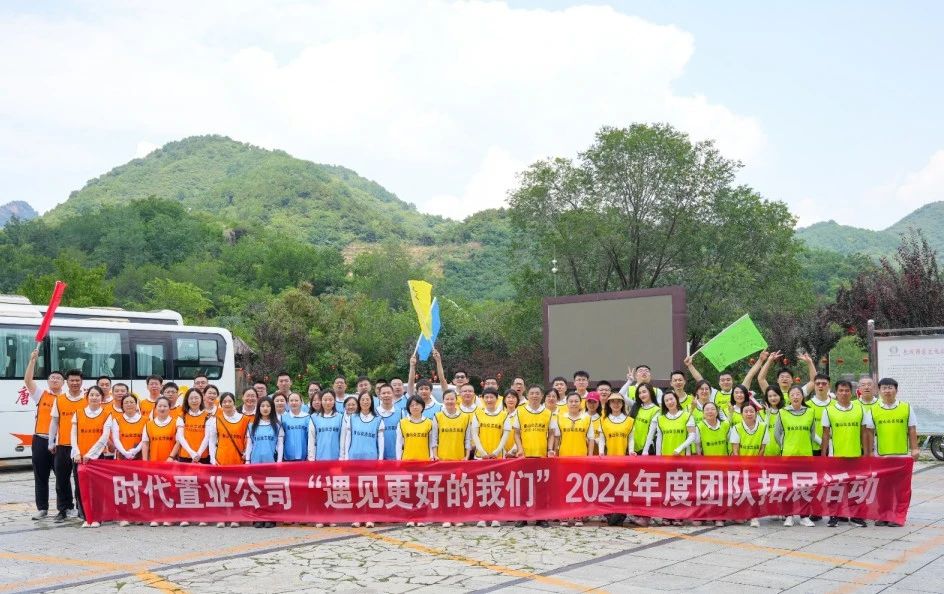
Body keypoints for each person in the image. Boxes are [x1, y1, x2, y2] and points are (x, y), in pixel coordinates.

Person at [821, 380, 872, 528]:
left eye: (847, 390)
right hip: (836, 456)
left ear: (852, 392)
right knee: (835, 487)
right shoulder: (828, 411)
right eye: (841, 391)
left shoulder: (860, 409)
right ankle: (834, 516)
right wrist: (823, 456)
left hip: (856, 455)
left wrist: (867, 453)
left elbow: (864, 433)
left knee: (856, 487)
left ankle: (856, 516)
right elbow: (825, 434)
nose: (844, 393)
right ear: (836, 393)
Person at [872, 377, 919, 527]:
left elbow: (912, 429)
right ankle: (884, 515)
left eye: (890, 388)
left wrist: (915, 448)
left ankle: (898, 516)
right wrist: (869, 453)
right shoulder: (873, 409)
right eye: (884, 388)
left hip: (902, 455)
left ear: (896, 390)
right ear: (879, 391)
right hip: (881, 455)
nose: (887, 391)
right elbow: (868, 432)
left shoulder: (906, 407)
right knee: (882, 488)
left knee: (901, 489)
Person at [23, 348, 62, 521]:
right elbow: (28, 381)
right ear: (48, 381)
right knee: (41, 476)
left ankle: (64, 508)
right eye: (52, 377)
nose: (54, 380)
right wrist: (33, 361)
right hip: (40, 439)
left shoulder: (66, 398)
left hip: (60, 442)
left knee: (61, 476)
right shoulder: (41, 395)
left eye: (58, 378)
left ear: (63, 383)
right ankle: (42, 508)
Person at [775, 386, 820, 527]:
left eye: (798, 394)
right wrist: (786, 446)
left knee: (805, 487)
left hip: (806, 455)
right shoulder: (782, 412)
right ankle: (788, 516)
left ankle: (804, 516)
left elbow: (812, 434)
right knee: (788, 487)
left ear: (802, 396)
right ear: (788, 397)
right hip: (788, 456)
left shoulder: (810, 412)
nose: (795, 397)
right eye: (792, 394)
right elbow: (777, 434)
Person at [46, 368, 86, 523]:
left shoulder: (87, 398)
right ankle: (63, 509)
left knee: (80, 479)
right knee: (61, 479)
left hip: (81, 447)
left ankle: (82, 509)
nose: (75, 383)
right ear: (67, 382)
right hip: (63, 445)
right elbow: (54, 421)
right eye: (72, 380)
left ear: (81, 382)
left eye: (77, 380)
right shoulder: (60, 399)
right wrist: (51, 441)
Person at [511, 386, 554, 528]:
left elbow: (551, 433)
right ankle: (522, 516)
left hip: (542, 455)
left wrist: (550, 449)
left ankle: (541, 517)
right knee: (524, 487)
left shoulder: (548, 413)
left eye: (537, 393)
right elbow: (516, 433)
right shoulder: (520, 411)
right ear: (527, 395)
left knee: (542, 488)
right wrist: (520, 449)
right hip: (525, 455)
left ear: (542, 396)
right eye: (532, 393)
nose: (534, 396)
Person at [551, 392, 594, 527]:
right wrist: (555, 453)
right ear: (567, 403)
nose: (573, 404)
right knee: (564, 486)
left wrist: (590, 456)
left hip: (581, 457)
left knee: (581, 486)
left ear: (581, 403)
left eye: (576, 401)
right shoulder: (560, 418)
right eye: (571, 401)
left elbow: (591, 439)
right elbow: (557, 438)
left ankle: (579, 515)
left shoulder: (587, 418)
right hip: (564, 457)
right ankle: (564, 514)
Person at [70, 385, 109, 527]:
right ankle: (86, 516)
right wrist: (77, 452)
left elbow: (104, 437)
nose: (94, 397)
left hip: (97, 457)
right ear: (87, 397)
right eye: (92, 395)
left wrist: (91, 454)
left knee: (97, 488)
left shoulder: (107, 414)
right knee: (81, 487)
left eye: (97, 395)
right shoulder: (78, 413)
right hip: (79, 457)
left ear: (102, 398)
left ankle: (97, 517)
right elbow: (73, 435)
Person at [596, 394, 635, 525]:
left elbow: (631, 438)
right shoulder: (604, 421)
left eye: (619, 402)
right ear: (609, 404)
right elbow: (602, 438)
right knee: (609, 487)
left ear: (623, 404)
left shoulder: (629, 421)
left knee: (623, 488)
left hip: (624, 460)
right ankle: (608, 513)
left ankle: (621, 514)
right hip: (609, 460)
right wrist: (601, 452)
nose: (616, 404)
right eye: (613, 402)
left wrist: (631, 451)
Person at [433, 390, 470, 527]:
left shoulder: (465, 417)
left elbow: (467, 439)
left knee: (458, 489)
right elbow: (434, 439)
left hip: (459, 458)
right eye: (447, 399)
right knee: (444, 489)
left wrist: (467, 455)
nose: (449, 401)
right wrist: (435, 455)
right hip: (443, 458)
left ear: (456, 400)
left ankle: (457, 516)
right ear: (443, 401)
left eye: (452, 399)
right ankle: (446, 517)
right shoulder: (438, 417)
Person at [245, 396, 283, 528]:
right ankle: (258, 516)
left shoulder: (277, 425)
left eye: (268, 406)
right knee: (256, 490)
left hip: (271, 463)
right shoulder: (252, 426)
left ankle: (270, 517)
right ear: (258, 408)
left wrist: (279, 462)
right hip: (256, 463)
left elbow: (280, 445)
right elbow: (249, 444)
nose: (265, 408)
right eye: (262, 406)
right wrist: (247, 461)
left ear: (272, 408)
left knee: (270, 490)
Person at [729, 401, 768, 527]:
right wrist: (741, 467)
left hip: (756, 466)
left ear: (756, 413)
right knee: (741, 491)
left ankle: (754, 516)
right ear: (741, 414)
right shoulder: (736, 428)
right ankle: (742, 514)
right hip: (741, 466)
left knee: (755, 491)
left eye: (751, 411)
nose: (749, 413)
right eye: (746, 411)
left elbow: (762, 449)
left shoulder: (763, 427)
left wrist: (756, 465)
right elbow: (735, 450)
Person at [141, 396, 178, 527]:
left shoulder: (175, 422)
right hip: (154, 462)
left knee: (170, 489)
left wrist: (171, 457)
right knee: (156, 489)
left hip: (170, 462)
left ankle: (170, 516)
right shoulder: (149, 425)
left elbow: (179, 442)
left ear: (169, 408)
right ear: (155, 408)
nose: (162, 408)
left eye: (165, 406)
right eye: (159, 406)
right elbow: (145, 443)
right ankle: (156, 516)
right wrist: (145, 461)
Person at [644, 392, 695, 459]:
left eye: (671, 399)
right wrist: (658, 457)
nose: (670, 402)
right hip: (665, 457)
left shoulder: (687, 416)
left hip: (683, 456)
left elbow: (692, 436)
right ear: (664, 403)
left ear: (676, 399)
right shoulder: (660, 419)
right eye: (666, 400)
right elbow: (659, 440)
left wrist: (679, 449)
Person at [176, 388, 209, 464]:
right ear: (187, 400)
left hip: (203, 456)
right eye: (191, 398)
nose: (194, 401)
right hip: (185, 455)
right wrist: (191, 453)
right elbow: (180, 437)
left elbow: (207, 437)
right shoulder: (182, 416)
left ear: (201, 399)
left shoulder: (207, 416)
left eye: (196, 398)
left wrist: (199, 453)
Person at [282, 393, 315, 463]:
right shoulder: (283, 418)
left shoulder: (307, 417)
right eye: (291, 400)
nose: (294, 403)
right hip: (287, 457)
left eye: (296, 400)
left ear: (301, 402)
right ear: (288, 403)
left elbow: (311, 438)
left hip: (304, 456)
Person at [312, 390, 344, 463]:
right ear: (321, 401)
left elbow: (342, 440)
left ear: (334, 401)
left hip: (336, 458)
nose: (328, 402)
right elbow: (312, 440)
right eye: (325, 400)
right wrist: (311, 458)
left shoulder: (341, 417)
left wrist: (342, 457)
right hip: (319, 458)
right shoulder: (314, 417)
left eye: (330, 400)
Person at [629, 383, 660, 456]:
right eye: (639, 393)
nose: (641, 395)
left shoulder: (657, 410)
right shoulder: (636, 407)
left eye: (644, 392)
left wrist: (645, 450)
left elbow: (652, 433)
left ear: (651, 392)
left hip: (646, 449)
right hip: (632, 448)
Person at [376, 384, 402, 461]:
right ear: (379, 395)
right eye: (383, 393)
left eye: (389, 393)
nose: (386, 395)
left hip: (396, 456)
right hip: (378, 456)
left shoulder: (400, 412)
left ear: (393, 394)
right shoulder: (374, 413)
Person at [761, 386, 784, 456]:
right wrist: (768, 415)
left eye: (775, 395)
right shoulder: (761, 413)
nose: (773, 398)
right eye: (770, 396)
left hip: (782, 451)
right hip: (766, 452)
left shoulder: (785, 411)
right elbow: (763, 431)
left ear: (780, 396)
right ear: (767, 398)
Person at [503, 390, 521, 457]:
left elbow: (521, 435)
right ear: (504, 400)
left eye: (513, 397)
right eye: (508, 397)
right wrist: (503, 451)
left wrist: (513, 450)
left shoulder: (520, 415)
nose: (511, 400)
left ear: (517, 400)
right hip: (502, 454)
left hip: (517, 453)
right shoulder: (500, 415)